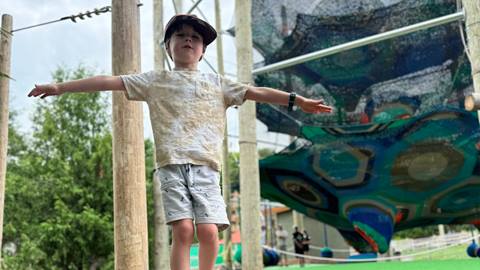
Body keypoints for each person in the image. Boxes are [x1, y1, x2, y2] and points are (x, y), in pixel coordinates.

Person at [28, 14, 332, 270]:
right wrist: (60, 87)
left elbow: (258, 92)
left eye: (195, 38)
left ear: (202, 52)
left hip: (206, 169)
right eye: (181, 35)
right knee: (184, 230)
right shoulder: (153, 80)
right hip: (172, 167)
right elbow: (109, 81)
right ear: (168, 46)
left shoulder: (218, 84)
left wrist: (298, 100)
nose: (189, 40)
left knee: (210, 231)